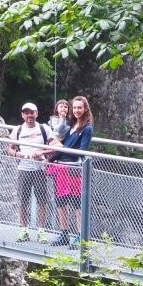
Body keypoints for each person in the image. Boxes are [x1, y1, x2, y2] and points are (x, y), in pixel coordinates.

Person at [43, 96, 93, 246]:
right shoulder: (71, 125)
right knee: (61, 202)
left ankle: (80, 236)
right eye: (75, 108)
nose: (77, 110)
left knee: (77, 203)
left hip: (75, 169)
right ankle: (64, 233)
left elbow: (80, 151)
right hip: (61, 167)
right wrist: (49, 160)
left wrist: (61, 148)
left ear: (85, 109)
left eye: (80, 108)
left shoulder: (87, 128)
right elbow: (62, 146)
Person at [7, 102, 53, 242]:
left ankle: (41, 231)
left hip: (40, 169)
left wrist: (41, 153)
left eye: (31, 112)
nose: (29, 116)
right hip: (23, 168)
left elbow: (55, 147)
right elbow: (9, 149)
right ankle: (24, 230)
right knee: (23, 200)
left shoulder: (44, 128)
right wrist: (16, 155)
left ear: (36, 114)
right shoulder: (18, 130)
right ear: (22, 115)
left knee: (42, 201)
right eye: (26, 113)